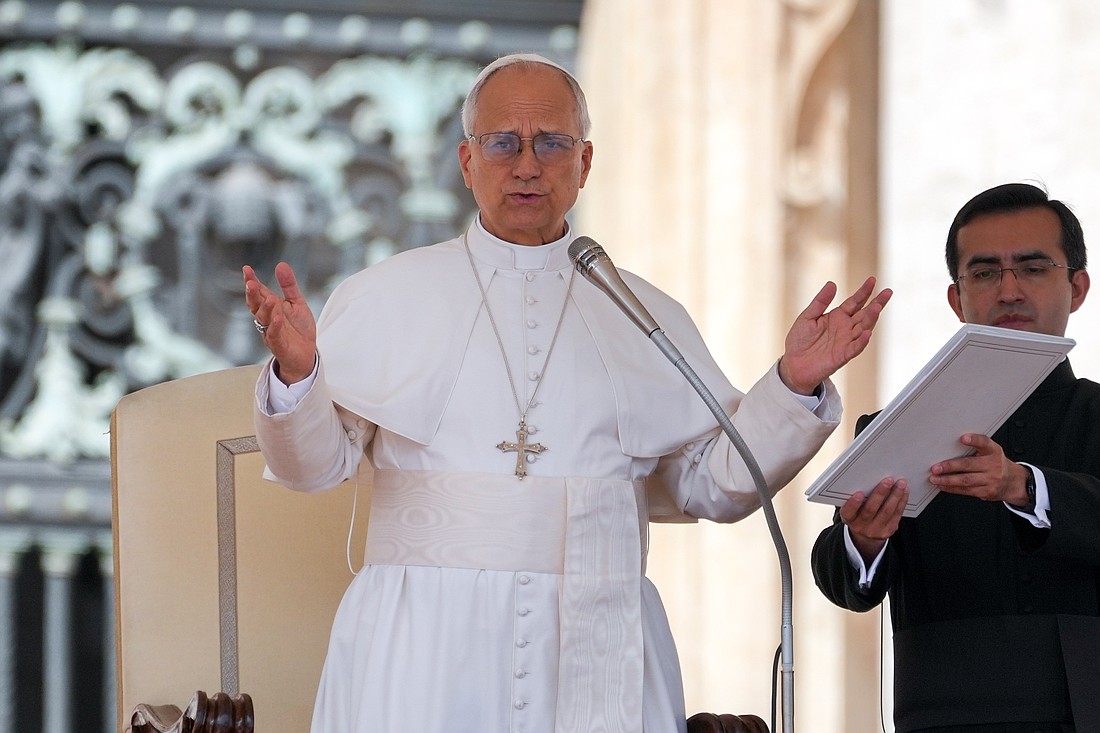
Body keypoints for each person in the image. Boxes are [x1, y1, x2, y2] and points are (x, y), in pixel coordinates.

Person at [244, 52, 891, 733]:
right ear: (467, 162)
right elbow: (312, 467)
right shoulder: (385, 295)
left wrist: (794, 383)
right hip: (423, 640)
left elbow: (718, 486)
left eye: (552, 143)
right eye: (504, 144)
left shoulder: (642, 312)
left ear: (584, 164)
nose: (528, 165)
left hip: (602, 627)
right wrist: (297, 375)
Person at [811, 182, 1100, 733]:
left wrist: (1024, 486)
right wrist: (865, 540)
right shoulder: (896, 428)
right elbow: (841, 580)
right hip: (942, 710)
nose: (1010, 290)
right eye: (986, 272)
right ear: (955, 297)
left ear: (1078, 287)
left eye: (1033, 268)